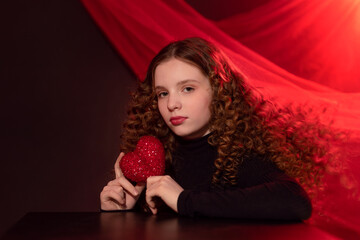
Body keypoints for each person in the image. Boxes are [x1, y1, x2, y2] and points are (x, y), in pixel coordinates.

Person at [100, 37, 342, 220]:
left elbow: (295, 201)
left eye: (187, 88)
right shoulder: (156, 155)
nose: (172, 104)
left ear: (219, 92)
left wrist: (185, 200)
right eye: (163, 93)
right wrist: (121, 212)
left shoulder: (238, 153)